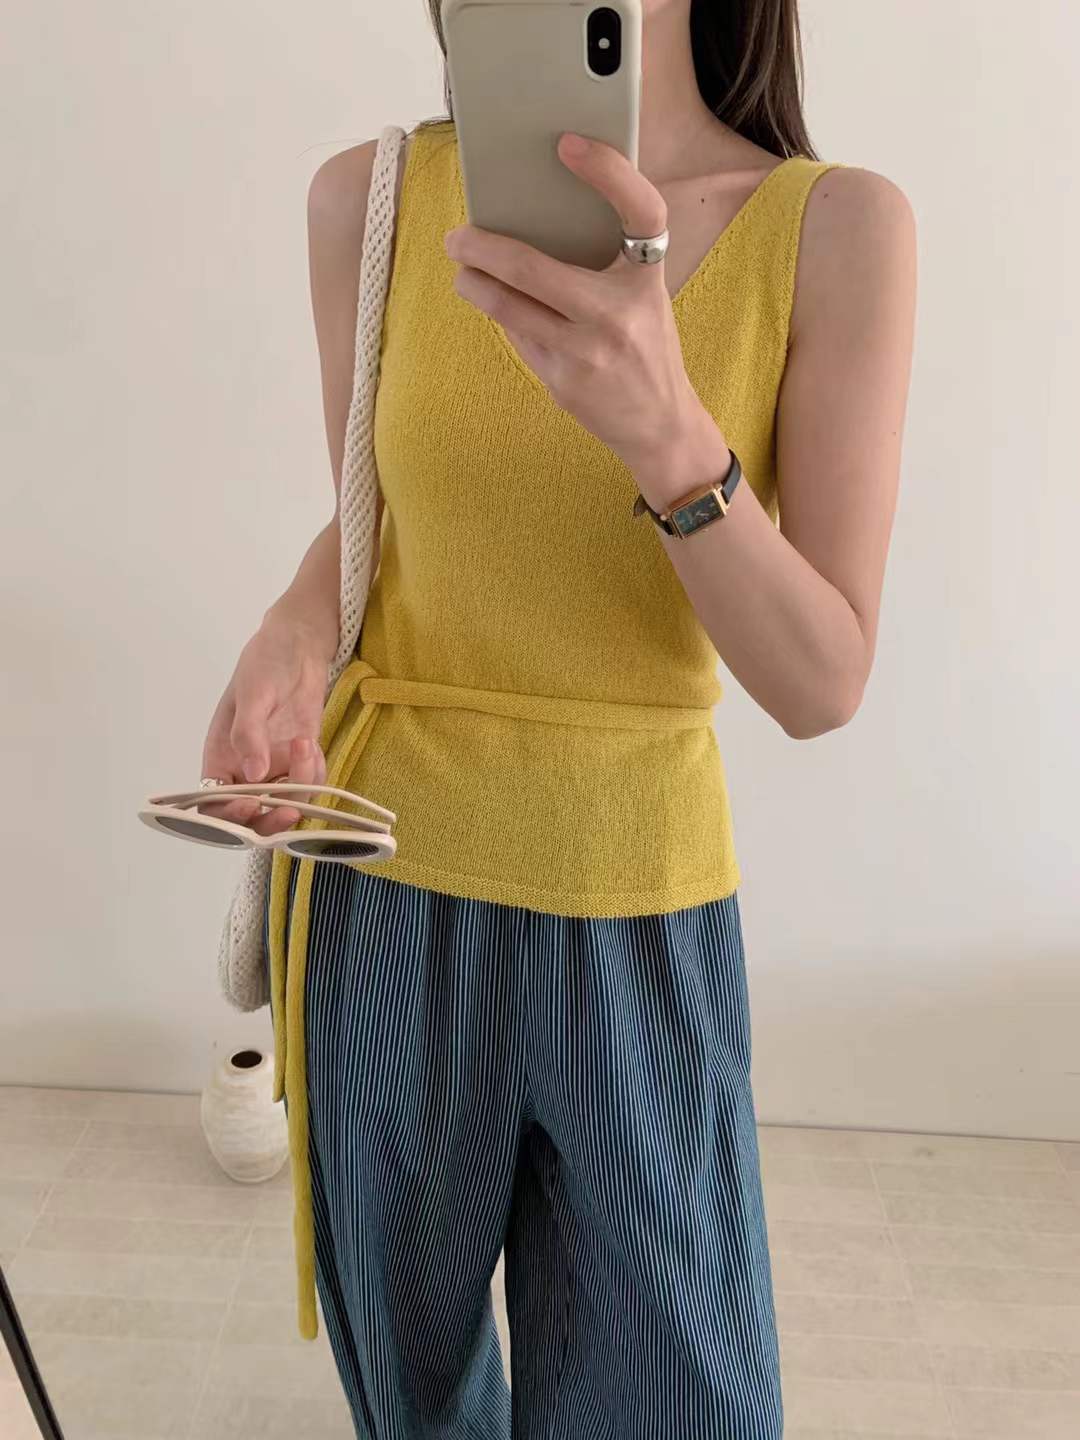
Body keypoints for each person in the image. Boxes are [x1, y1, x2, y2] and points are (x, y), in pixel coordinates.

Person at [201, 0, 916, 1433]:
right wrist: (291, 631)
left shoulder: (834, 229)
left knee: (676, 1406)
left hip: (637, 913)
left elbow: (822, 682)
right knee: (414, 1396)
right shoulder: (368, 199)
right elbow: (378, 520)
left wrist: (670, 434)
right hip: (381, 888)